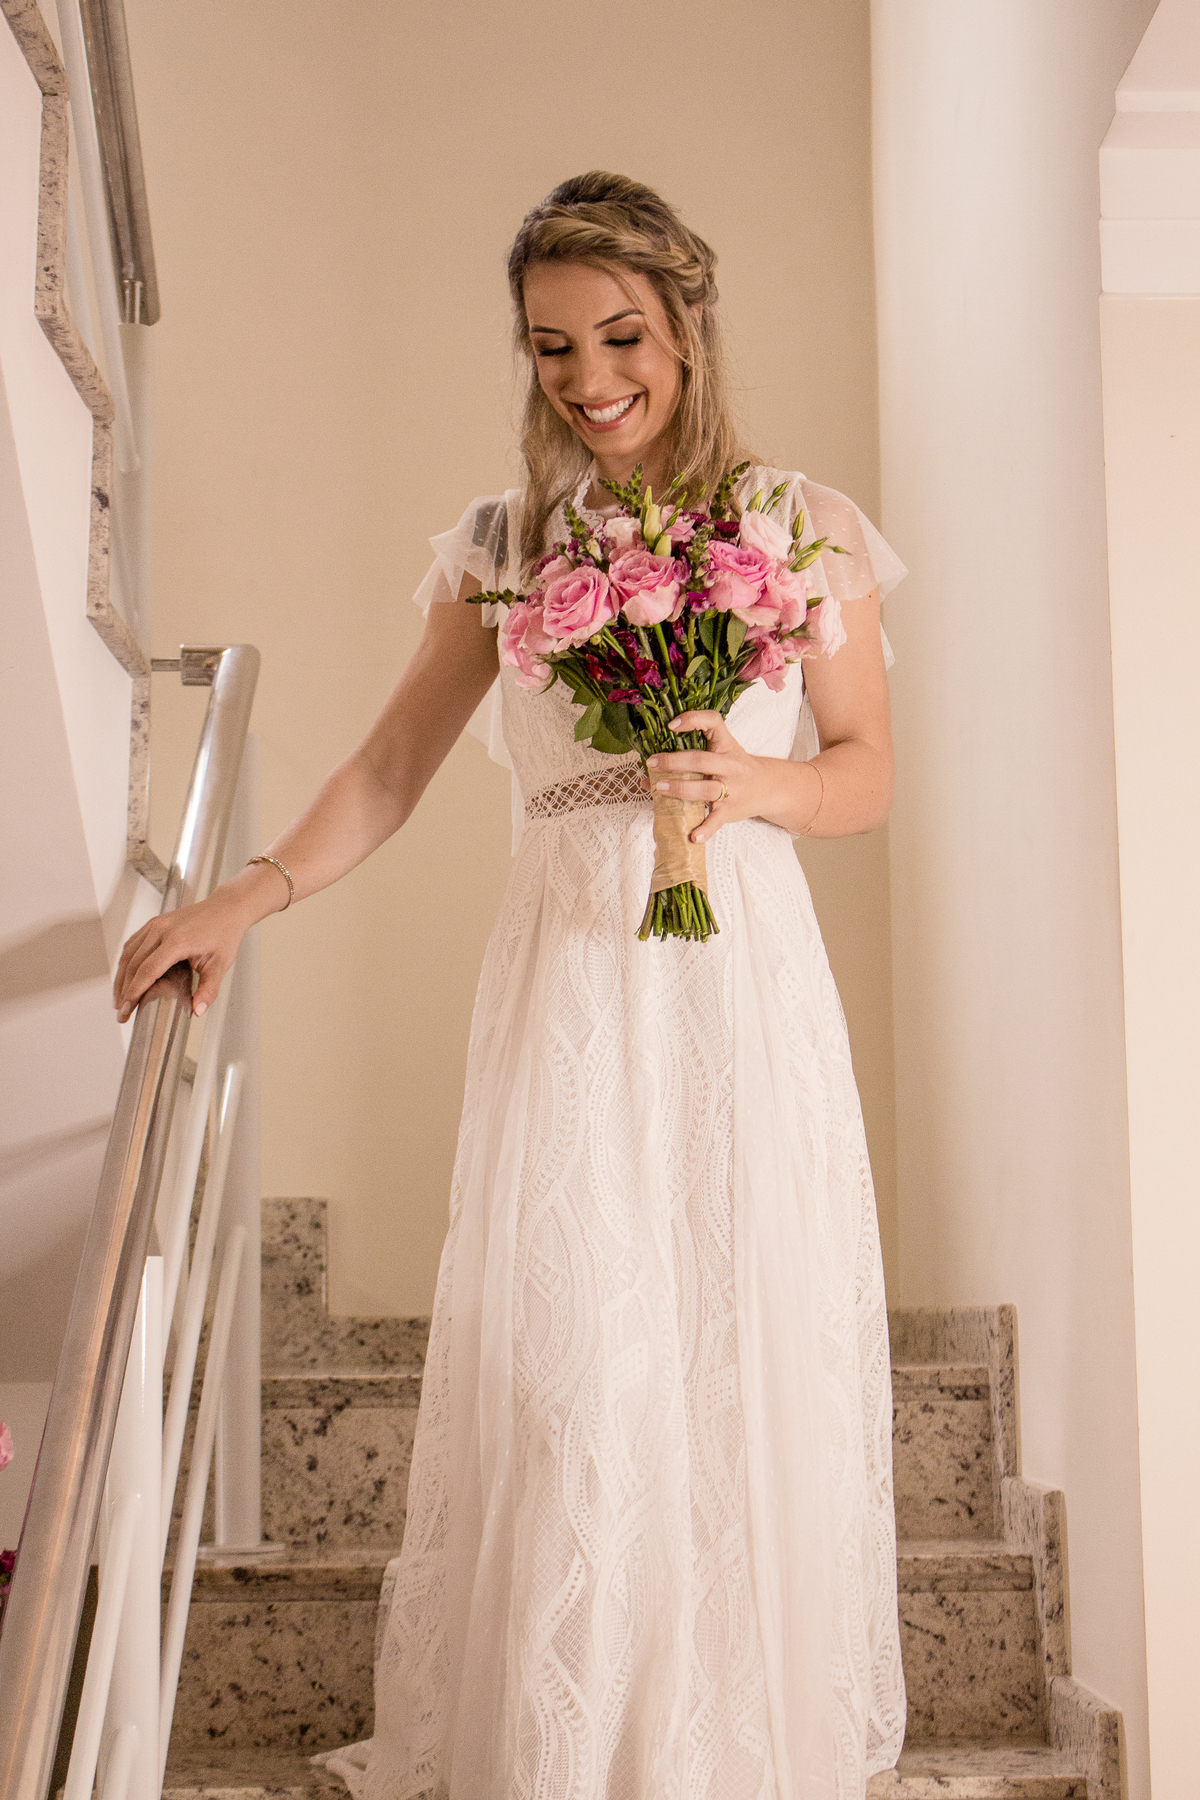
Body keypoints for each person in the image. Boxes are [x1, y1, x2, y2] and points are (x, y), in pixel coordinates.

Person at [115, 172, 907, 1800]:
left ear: (687, 326)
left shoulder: (799, 525)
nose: (588, 378)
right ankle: (565, 1750)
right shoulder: (505, 544)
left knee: (737, 1356)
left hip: (738, 980)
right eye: (551, 346)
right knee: (568, 1367)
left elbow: (866, 769)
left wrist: (752, 786)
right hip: (570, 981)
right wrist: (244, 897)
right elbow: (391, 764)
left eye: (620, 337)